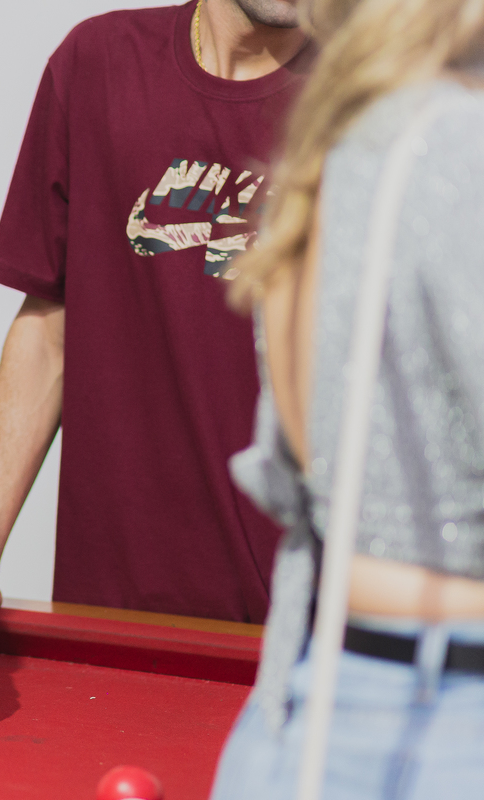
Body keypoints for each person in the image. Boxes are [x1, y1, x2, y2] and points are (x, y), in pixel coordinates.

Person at [0, 0, 314, 625]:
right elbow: (49, 334)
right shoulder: (98, 63)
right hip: (111, 618)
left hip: (306, 633)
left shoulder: (376, 99)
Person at [208, 0, 484, 794]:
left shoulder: (343, 143)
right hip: (441, 723)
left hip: (306, 716)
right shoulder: (455, 142)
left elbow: (296, 474)